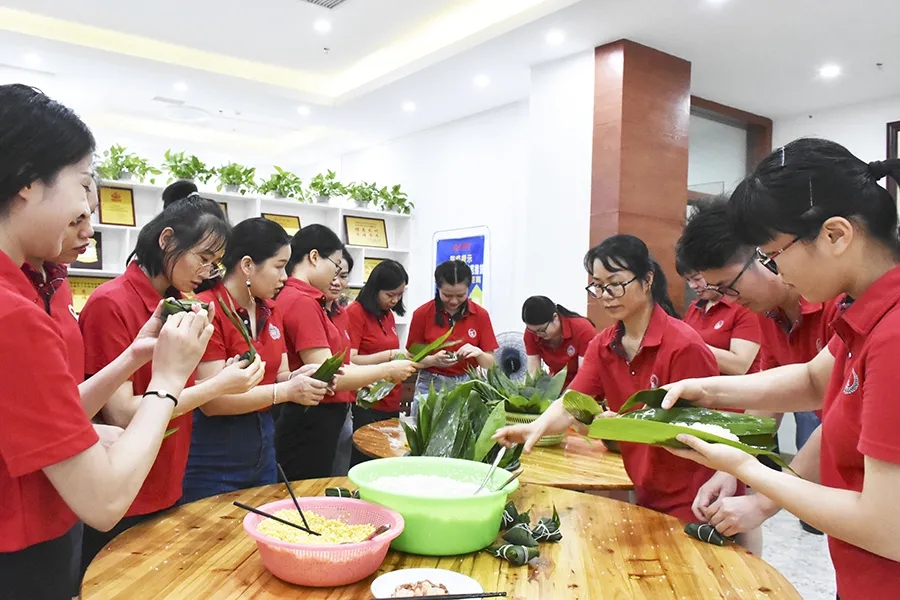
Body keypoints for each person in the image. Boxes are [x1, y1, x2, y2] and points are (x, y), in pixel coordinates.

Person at [662, 138, 900, 600]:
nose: (775, 270)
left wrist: (747, 469)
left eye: (772, 255)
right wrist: (707, 391)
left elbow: (885, 525)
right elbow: (812, 379)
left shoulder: (892, 332)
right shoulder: (867, 313)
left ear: (835, 235)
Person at [0, 83, 212, 598]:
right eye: (82, 186)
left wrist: (134, 357)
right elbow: (104, 501)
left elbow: (46, 415)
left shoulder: (27, 291)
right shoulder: (15, 314)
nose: (86, 215)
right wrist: (168, 379)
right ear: (27, 182)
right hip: (22, 554)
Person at [78, 195, 263, 573]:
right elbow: (121, 413)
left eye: (214, 263)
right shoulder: (110, 303)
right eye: (202, 257)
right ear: (166, 239)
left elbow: (174, 389)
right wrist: (218, 386)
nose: (207, 272)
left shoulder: (181, 304)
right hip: (124, 491)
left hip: (169, 479)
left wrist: (220, 378)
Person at [494, 234, 730, 524]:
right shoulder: (604, 345)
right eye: (598, 285)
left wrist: (618, 425)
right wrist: (536, 427)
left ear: (647, 280)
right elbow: (571, 403)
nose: (605, 295)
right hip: (644, 488)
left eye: (615, 284)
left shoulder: (683, 345)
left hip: (696, 496)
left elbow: (704, 429)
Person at [675, 197, 841, 535]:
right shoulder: (769, 313)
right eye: (717, 290)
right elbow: (771, 400)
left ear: (764, 254)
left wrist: (764, 502)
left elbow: (840, 415)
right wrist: (730, 469)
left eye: (729, 287)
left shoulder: (838, 303)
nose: (728, 300)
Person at [182, 218, 329, 502]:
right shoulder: (207, 309)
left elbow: (280, 373)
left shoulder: (270, 310)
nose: (285, 277)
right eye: (279, 266)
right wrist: (286, 391)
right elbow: (213, 402)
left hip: (263, 450)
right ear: (247, 265)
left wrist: (299, 377)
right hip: (214, 456)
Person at [274, 225, 418, 480]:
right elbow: (327, 373)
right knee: (309, 487)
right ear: (314, 257)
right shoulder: (301, 301)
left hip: (320, 412)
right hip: (311, 414)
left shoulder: (313, 302)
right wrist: (387, 369)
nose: (336, 276)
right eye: (335, 266)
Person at [20, 172, 100, 382]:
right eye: (77, 219)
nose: (88, 231)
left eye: (90, 216)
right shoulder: (12, 282)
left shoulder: (58, 279)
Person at [407, 260, 498, 409]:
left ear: (469, 288)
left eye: (461, 295)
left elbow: (490, 363)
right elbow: (411, 358)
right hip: (430, 385)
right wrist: (433, 360)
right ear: (438, 288)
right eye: (447, 295)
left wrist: (478, 353)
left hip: (467, 384)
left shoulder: (480, 315)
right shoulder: (422, 314)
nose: (454, 301)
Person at [348, 259, 410, 466]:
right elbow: (351, 359)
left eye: (399, 294)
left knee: (387, 459)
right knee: (365, 458)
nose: (395, 300)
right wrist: (389, 355)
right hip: (367, 399)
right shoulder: (355, 313)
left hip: (390, 397)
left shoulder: (387, 315)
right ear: (375, 289)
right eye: (390, 294)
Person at [675, 255, 761, 376]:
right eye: (688, 280)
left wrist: (691, 345)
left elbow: (739, 366)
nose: (693, 285)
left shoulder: (744, 306)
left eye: (697, 279)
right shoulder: (694, 308)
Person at [521, 295, 596, 387]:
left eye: (542, 330)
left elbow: (584, 375)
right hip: (555, 386)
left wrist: (565, 395)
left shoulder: (583, 329)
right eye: (533, 331)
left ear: (555, 317)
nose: (538, 335)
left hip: (584, 387)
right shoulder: (532, 333)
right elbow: (533, 373)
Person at [327, 249, 355, 477]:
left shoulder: (341, 313)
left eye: (343, 276)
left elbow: (346, 361)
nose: (337, 282)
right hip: (318, 409)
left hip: (344, 405)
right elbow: (327, 373)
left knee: (340, 474)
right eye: (333, 274)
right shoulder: (306, 307)